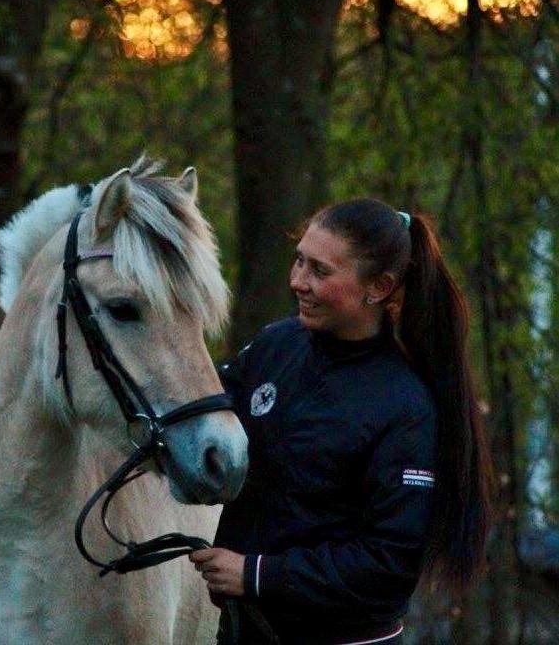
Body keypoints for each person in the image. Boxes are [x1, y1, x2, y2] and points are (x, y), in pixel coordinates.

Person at [189, 199, 493, 645]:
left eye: (320, 271)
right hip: (243, 631)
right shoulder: (277, 345)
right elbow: (201, 423)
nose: (298, 282)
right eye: (299, 261)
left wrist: (256, 574)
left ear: (378, 287)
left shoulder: (405, 406)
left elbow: (388, 563)